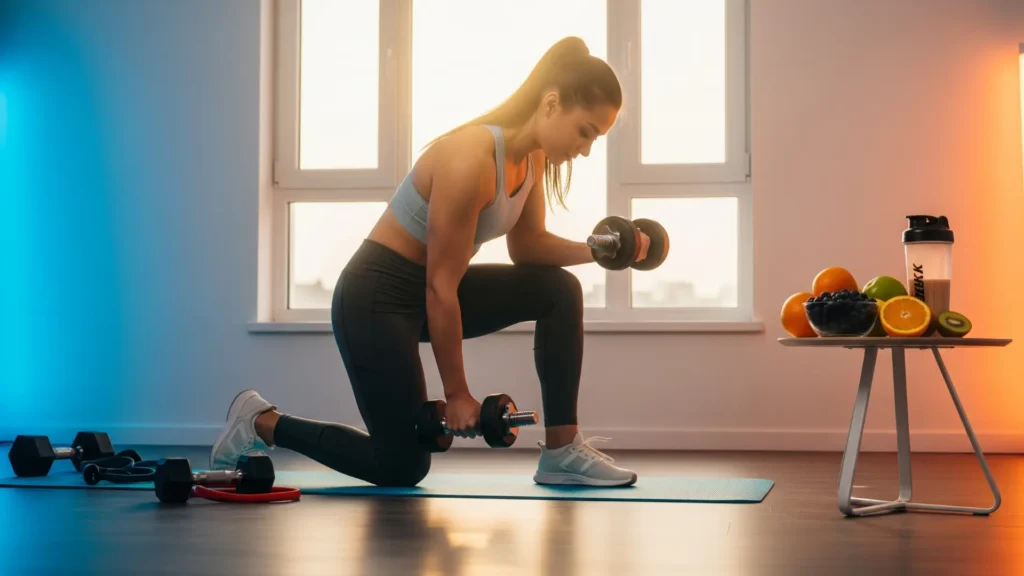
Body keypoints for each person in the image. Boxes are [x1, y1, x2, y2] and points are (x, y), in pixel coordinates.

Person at [210, 36, 650, 487]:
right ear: (552, 104)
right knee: (400, 465)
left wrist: (601, 252)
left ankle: (560, 452)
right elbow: (441, 285)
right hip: (375, 296)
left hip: (427, 290)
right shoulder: (470, 159)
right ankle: (260, 421)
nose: (587, 149)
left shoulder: (532, 160)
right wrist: (456, 394)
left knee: (559, 290)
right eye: (587, 132)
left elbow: (529, 248)